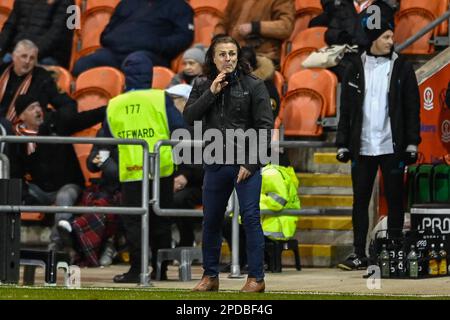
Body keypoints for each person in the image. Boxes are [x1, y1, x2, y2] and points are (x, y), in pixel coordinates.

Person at [184, 35, 273, 292]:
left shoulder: (254, 85)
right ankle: (210, 276)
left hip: (245, 165)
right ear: (213, 58)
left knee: (251, 218)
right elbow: (189, 116)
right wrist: (211, 93)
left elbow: (265, 127)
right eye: (222, 54)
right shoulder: (202, 84)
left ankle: (256, 278)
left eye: (232, 54)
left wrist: (251, 162)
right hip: (215, 162)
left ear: (238, 56)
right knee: (210, 220)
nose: (228, 59)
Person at [335, 18, 421, 270]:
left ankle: (393, 250)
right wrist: (342, 143)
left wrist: (412, 143)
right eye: (386, 37)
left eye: (391, 37)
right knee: (359, 201)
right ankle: (358, 253)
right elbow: (347, 110)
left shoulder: (403, 67)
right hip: (361, 147)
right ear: (373, 39)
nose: (391, 41)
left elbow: (412, 108)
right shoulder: (354, 67)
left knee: (395, 200)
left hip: (392, 146)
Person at [107, 51, 185, 283]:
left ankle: (137, 271)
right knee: (160, 219)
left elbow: (108, 136)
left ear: (125, 75)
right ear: (150, 75)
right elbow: (178, 127)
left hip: (131, 170)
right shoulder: (161, 98)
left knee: (134, 222)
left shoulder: (114, 104)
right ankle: (161, 270)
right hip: (161, 168)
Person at [8, 94, 106, 254]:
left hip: (67, 184)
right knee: (12, 195)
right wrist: (26, 195)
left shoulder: (57, 122)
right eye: (31, 108)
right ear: (21, 116)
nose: (37, 110)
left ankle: (55, 245)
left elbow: (87, 118)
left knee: (64, 197)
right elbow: (16, 172)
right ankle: (8, 246)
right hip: (39, 188)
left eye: (38, 106)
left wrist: (111, 108)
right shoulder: (18, 139)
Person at [73, 0, 194, 77]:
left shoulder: (179, 6)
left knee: (135, 63)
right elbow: (107, 31)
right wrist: (113, 39)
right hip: (115, 52)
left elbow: (184, 37)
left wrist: (156, 44)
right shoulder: (126, 3)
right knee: (83, 64)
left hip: (150, 55)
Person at [0, 40, 77, 123]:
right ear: (14, 57)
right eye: (24, 56)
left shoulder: (43, 78)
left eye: (32, 58)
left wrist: (50, 120)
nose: (27, 61)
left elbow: (68, 105)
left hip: (21, 129)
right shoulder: (1, 70)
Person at [213, 0, 295, 66]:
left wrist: (255, 27)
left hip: (262, 55)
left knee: (245, 59)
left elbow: (286, 26)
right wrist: (219, 37)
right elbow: (223, 22)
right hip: (232, 52)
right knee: (201, 55)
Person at [0, 0, 74, 68]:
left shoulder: (66, 2)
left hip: (47, 57)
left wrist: (28, 54)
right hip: (16, 54)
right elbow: (9, 27)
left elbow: (57, 35)